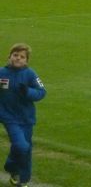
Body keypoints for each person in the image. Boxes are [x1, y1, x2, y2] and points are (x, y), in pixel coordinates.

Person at [0, 43, 46, 187]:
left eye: (22, 57)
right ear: (9, 56)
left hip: (27, 119)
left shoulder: (30, 74)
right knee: (22, 146)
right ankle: (18, 174)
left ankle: (20, 176)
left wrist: (28, 92)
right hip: (9, 117)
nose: (18, 59)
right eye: (15, 55)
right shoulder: (2, 73)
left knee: (24, 148)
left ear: (26, 60)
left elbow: (41, 92)